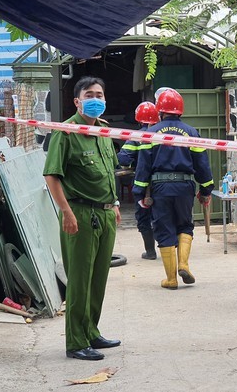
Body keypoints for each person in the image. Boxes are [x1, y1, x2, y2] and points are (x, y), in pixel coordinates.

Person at [43, 76, 122, 361]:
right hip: (80, 213)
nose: (96, 99)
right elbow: (52, 175)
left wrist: (113, 203)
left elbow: (109, 170)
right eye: (90, 95)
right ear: (77, 101)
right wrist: (66, 212)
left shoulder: (103, 131)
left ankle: (91, 331)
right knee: (80, 280)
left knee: (98, 278)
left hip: (104, 213)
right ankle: (76, 341)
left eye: (100, 94)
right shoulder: (65, 132)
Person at [133, 88, 214, 289]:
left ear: (159, 111)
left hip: (161, 187)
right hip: (185, 186)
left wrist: (140, 193)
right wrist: (206, 190)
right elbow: (202, 164)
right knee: (185, 225)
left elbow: (143, 166)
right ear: (181, 111)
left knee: (164, 228)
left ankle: (171, 279)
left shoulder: (150, 133)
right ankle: (184, 264)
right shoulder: (192, 132)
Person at [117, 101, 160, 260]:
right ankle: (168, 248)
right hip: (164, 185)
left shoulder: (136, 137)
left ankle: (150, 251)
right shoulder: (164, 134)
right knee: (162, 216)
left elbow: (123, 159)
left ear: (138, 119)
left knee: (143, 217)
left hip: (143, 185)